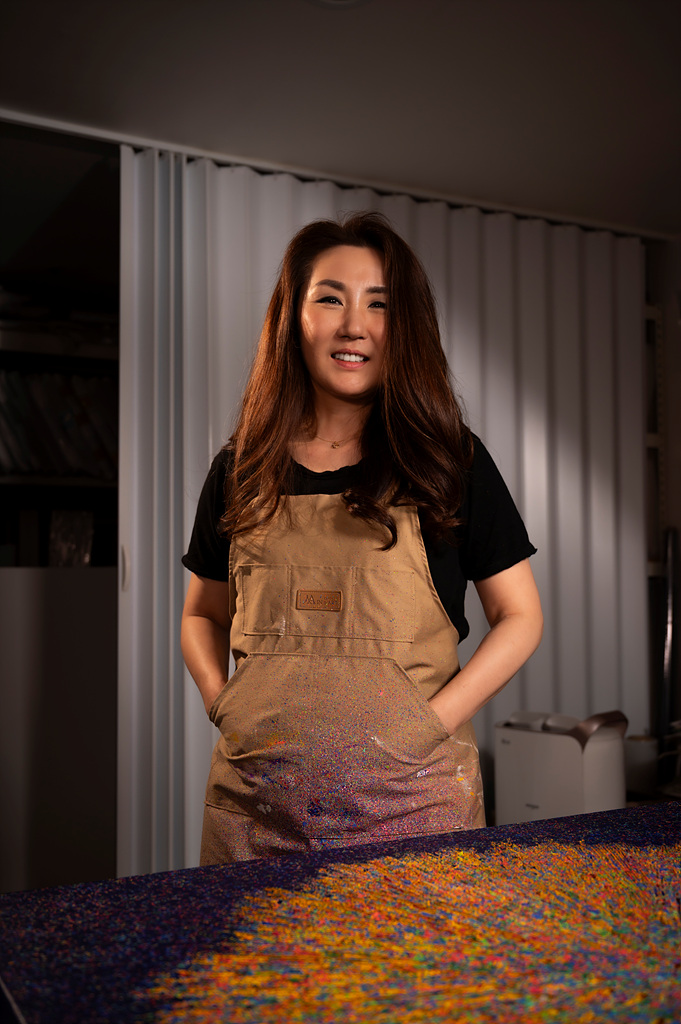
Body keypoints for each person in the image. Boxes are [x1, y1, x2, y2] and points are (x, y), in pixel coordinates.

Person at [181, 212, 543, 864]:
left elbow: (520, 616)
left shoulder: (448, 463)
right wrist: (222, 704)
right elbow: (201, 614)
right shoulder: (240, 468)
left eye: (379, 304)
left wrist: (428, 725)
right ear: (294, 318)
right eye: (330, 299)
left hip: (416, 811)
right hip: (254, 818)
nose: (354, 324)